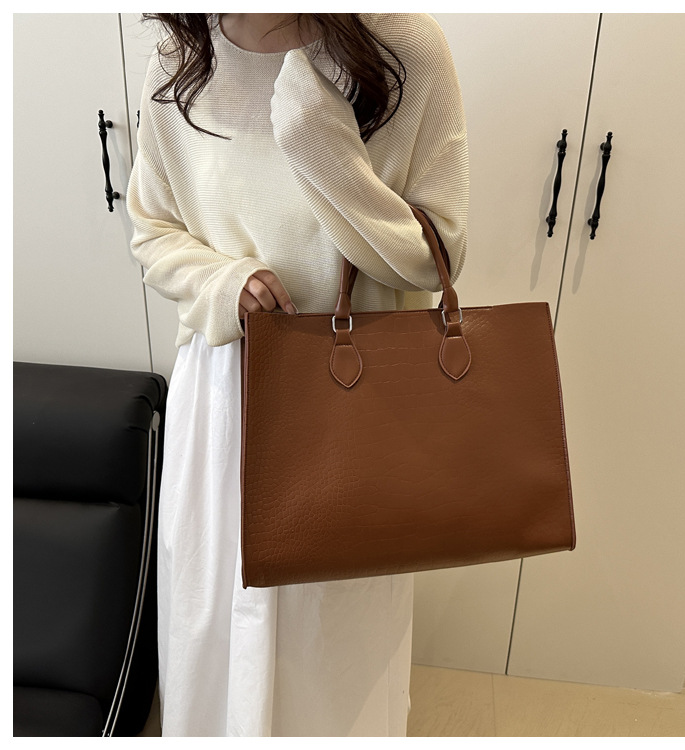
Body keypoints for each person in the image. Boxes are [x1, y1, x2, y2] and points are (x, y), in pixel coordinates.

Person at [126, 12, 468, 737]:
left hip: (357, 404)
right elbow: (153, 230)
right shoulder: (181, 59)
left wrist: (323, 151)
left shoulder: (406, 47)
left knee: (334, 655)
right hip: (228, 403)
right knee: (214, 637)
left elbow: (436, 255)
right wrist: (224, 283)